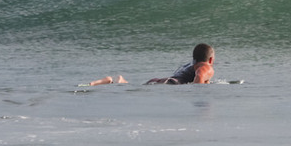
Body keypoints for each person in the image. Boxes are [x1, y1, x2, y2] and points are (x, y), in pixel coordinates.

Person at [84, 43, 215, 86]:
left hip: (162, 80)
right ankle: (114, 81)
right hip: (171, 84)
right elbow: (200, 76)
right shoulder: (206, 67)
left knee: (133, 89)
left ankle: (117, 81)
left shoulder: (188, 65)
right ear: (210, 60)